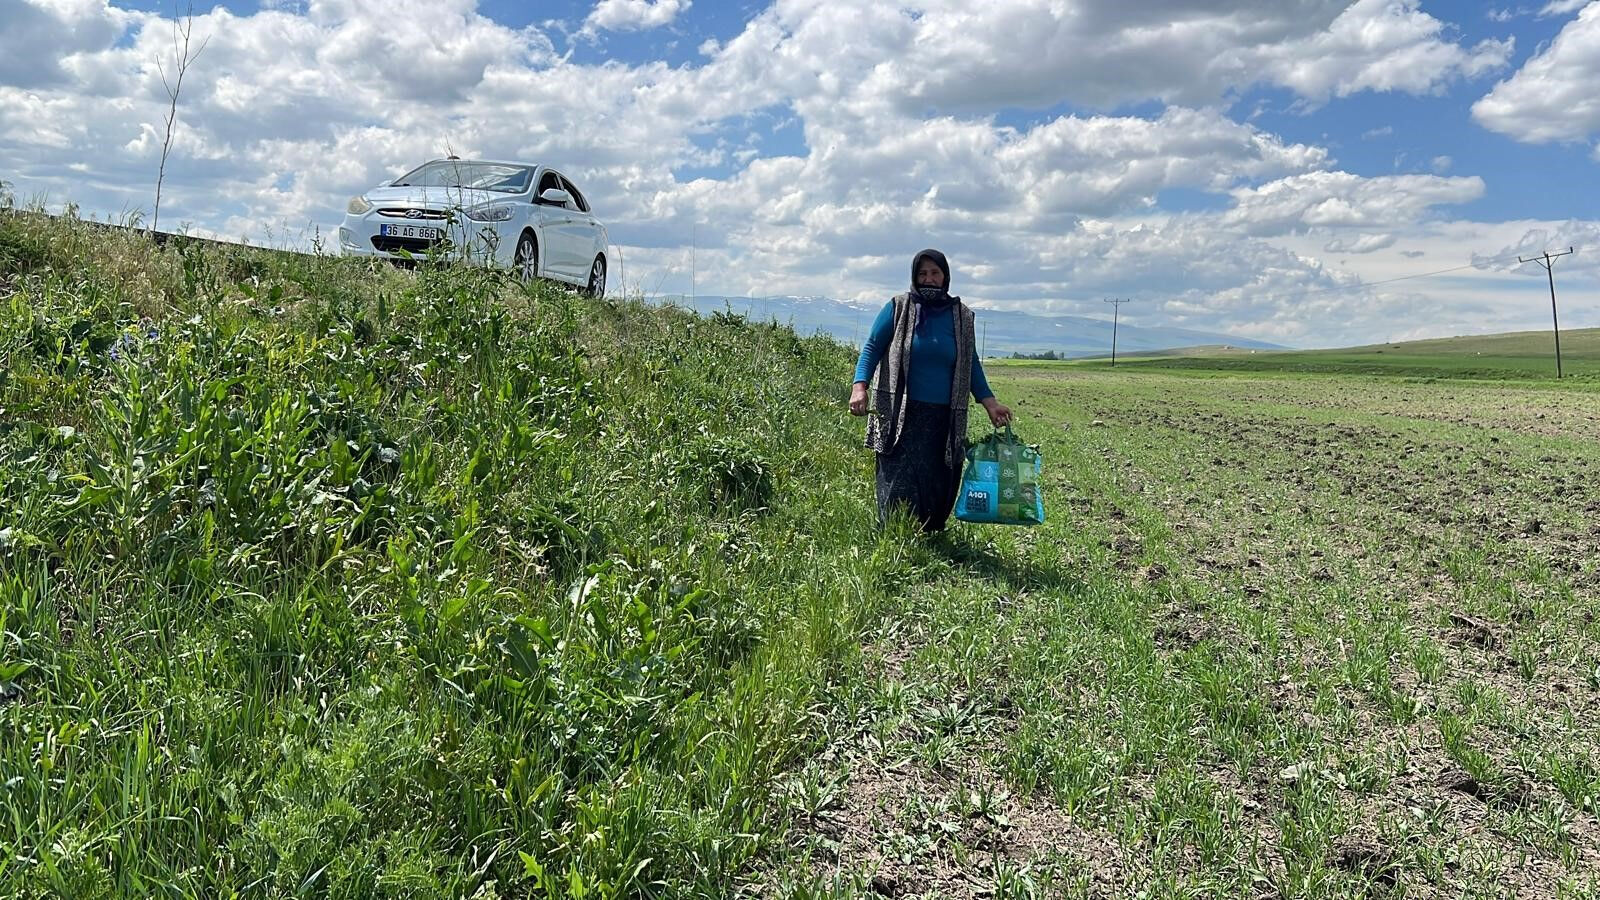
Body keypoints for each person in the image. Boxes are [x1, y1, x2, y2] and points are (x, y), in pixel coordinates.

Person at [849, 249, 1012, 531]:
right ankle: (897, 535)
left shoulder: (960, 317)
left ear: (945, 277)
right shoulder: (897, 308)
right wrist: (859, 387)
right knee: (899, 478)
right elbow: (872, 348)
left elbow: (970, 362)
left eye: (935, 273)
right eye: (922, 273)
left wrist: (990, 402)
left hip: (944, 416)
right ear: (914, 276)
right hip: (900, 412)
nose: (929, 279)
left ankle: (932, 533)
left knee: (939, 477)